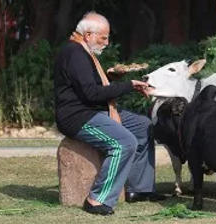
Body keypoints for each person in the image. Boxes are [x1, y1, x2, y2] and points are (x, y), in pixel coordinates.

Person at [53, 12, 164, 216]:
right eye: (103, 37)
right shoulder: (74, 53)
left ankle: (139, 189)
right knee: (124, 143)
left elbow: (91, 86)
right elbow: (92, 93)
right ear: (88, 35)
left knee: (142, 125)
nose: (107, 42)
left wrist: (111, 76)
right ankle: (97, 199)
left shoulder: (84, 52)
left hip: (96, 110)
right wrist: (128, 85)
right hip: (78, 117)